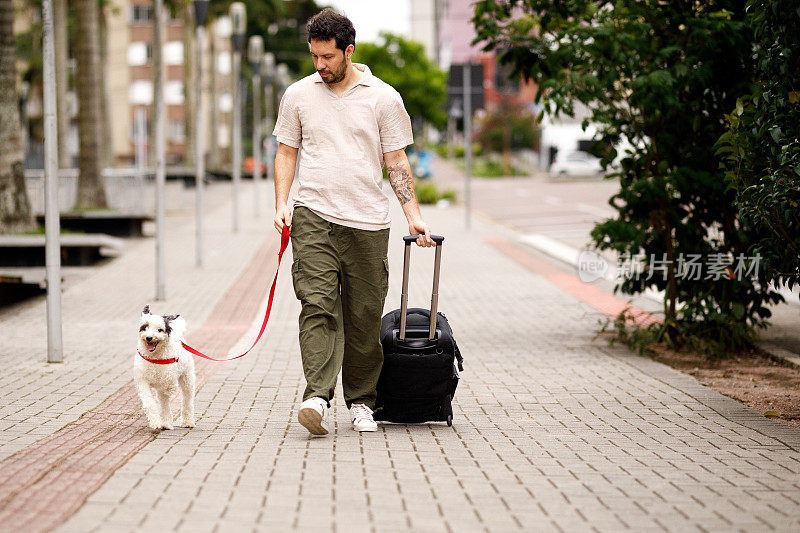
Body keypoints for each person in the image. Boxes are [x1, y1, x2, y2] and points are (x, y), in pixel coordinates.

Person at [272, 8, 434, 436]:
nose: (320, 65)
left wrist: (413, 216)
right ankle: (317, 398)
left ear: (349, 50)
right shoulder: (298, 95)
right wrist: (282, 203)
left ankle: (362, 401)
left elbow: (396, 161)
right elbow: (286, 151)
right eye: (314, 57)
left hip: (367, 221)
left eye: (327, 57)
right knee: (317, 304)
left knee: (363, 317)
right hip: (313, 215)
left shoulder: (383, 98)